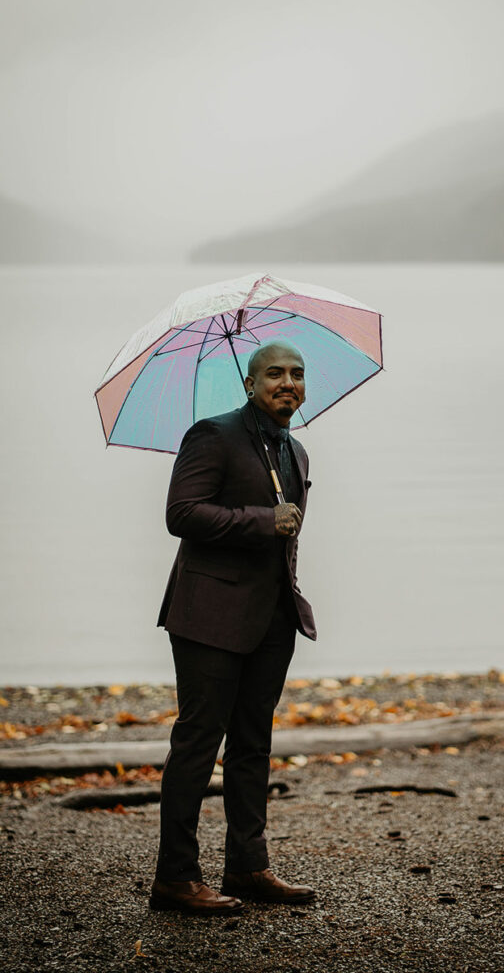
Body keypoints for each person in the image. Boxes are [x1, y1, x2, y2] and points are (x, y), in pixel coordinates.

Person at [150, 339, 317, 915]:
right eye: (274, 373)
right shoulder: (212, 435)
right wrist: (260, 519)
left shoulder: (294, 450)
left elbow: (284, 538)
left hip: (272, 619)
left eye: (297, 374)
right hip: (209, 617)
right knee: (198, 743)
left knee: (254, 744)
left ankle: (247, 866)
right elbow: (182, 513)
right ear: (250, 383)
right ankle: (175, 877)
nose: (287, 382)